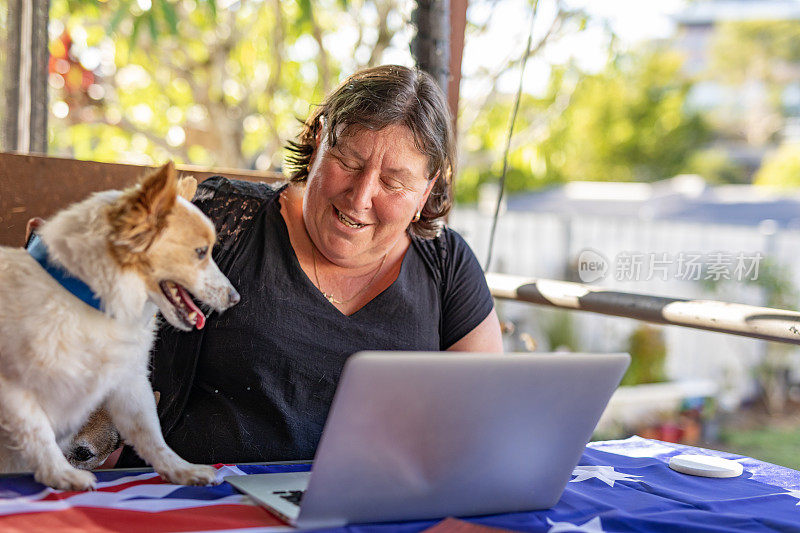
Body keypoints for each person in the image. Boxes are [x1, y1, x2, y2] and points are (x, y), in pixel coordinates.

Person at [109, 64, 502, 466]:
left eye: (393, 182)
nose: (360, 197)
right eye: (348, 161)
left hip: (376, 507)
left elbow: (484, 421)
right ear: (318, 142)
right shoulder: (221, 223)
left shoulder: (446, 263)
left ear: (427, 190)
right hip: (206, 503)